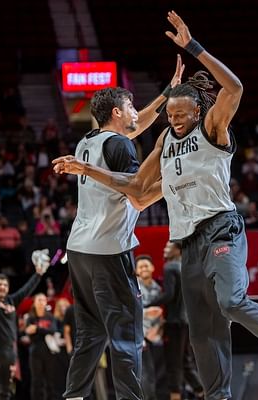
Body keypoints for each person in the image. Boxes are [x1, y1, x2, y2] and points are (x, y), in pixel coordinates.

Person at [54, 11, 258, 398]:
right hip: (187, 242)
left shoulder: (212, 128)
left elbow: (234, 87)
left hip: (221, 227)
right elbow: (137, 189)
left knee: (231, 302)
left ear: (197, 112)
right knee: (202, 332)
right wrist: (87, 170)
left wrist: (193, 47)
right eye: (170, 115)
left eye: (180, 114)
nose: (173, 120)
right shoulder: (163, 141)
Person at [57, 55, 185, 400]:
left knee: (91, 334)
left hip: (79, 249)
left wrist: (167, 93)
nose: (135, 112)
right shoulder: (121, 145)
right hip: (109, 250)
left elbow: (137, 125)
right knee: (127, 333)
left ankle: (73, 397)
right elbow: (139, 195)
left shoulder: (88, 141)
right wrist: (179, 179)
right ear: (117, 112)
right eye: (130, 106)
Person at [0, 242, 50, 400]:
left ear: (8, 288)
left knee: (6, 387)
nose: (2, 287)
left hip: (9, 349)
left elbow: (26, 289)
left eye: (4, 285)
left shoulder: (11, 301)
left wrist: (38, 274)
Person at [146, 241, 203, 400]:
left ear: (178, 250)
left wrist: (146, 304)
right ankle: (202, 392)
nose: (164, 250)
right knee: (185, 361)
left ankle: (176, 395)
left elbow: (169, 295)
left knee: (173, 364)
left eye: (168, 247)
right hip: (186, 321)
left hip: (175, 322)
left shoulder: (170, 267)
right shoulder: (186, 266)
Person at [135, 255, 166, 400]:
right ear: (136, 271)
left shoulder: (158, 288)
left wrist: (158, 329)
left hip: (156, 336)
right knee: (145, 373)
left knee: (156, 373)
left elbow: (161, 314)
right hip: (138, 336)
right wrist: (146, 313)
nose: (144, 269)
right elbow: (128, 312)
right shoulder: (133, 289)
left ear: (152, 268)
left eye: (146, 265)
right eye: (140, 267)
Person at [24, 293, 59, 400]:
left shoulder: (50, 316)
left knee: (50, 381)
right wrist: (42, 331)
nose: (41, 302)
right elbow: (28, 332)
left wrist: (37, 329)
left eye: (43, 300)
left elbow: (53, 330)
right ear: (34, 302)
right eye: (39, 300)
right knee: (36, 381)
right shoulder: (30, 317)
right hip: (35, 352)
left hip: (49, 352)